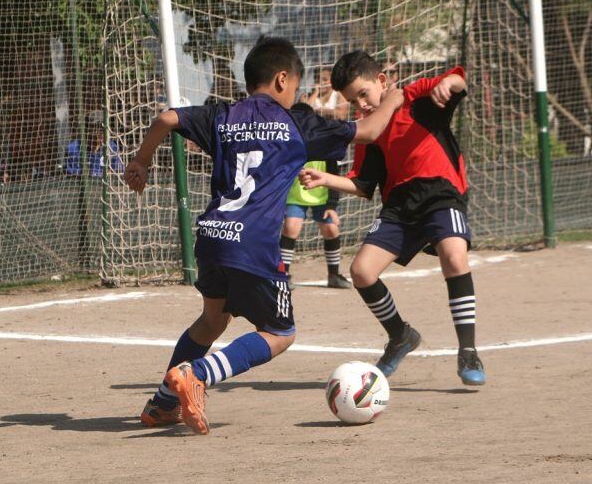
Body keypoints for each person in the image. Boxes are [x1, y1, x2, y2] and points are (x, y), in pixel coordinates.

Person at [124, 37, 403, 435]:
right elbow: (371, 130)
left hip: (213, 235)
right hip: (253, 244)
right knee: (279, 332)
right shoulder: (297, 122)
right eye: (296, 86)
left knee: (211, 321)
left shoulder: (222, 114)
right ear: (281, 79)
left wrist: (140, 161)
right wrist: (393, 98)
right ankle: (198, 373)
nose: (296, 94)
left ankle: (162, 404)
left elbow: (168, 118)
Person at [306, 50, 485, 386]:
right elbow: (362, 184)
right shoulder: (369, 131)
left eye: (364, 93)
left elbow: (458, 81)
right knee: (361, 272)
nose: (361, 105)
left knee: (454, 257)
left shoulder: (414, 97)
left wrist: (449, 82)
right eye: (352, 100)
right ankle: (400, 335)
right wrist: (326, 179)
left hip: (441, 194)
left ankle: (468, 351)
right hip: (399, 207)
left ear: (382, 82)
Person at [280, 102, 353, 290]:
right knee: (291, 228)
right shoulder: (286, 144)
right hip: (295, 197)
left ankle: (334, 275)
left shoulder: (323, 144)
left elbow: (334, 175)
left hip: (321, 196)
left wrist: (332, 205)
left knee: (331, 230)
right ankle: (283, 274)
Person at [65, 110, 124, 177]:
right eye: (94, 127)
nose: (98, 131)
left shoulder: (112, 147)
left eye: (101, 128)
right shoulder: (73, 148)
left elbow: (118, 171)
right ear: (87, 128)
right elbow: (70, 175)